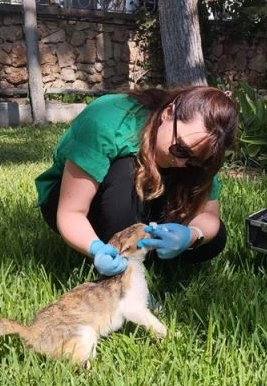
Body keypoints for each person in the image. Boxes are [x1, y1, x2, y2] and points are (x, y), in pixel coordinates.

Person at [35, 86, 239, 276]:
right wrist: (95, 249)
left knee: (214, 240)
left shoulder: (202, 150)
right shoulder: (106, 119)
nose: (181, 162)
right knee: (126, 169)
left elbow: (209, 216)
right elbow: (71, 213)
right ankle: (120, 257)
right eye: (180, 149)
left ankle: (145, 257)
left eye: (195, 161)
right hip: (76, 203)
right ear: (168, 113)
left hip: (145, 205)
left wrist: (190, 236)